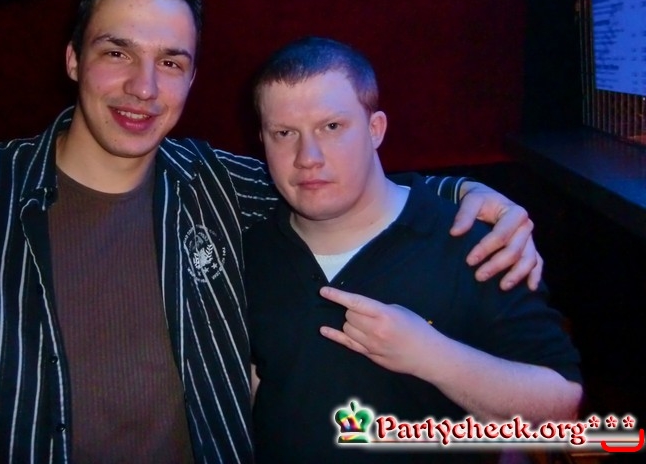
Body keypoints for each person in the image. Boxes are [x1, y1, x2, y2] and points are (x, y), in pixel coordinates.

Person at [0, 0, 541, 463]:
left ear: (192, 77)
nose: (143, 87)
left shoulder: (218, 183)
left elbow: (335, 182)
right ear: (73, 59)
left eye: (171, 62)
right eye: (117, 52)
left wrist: (460, 195)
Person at [245, 37, 583, 463]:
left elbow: (562, 406)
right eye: (284, 133)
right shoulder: (249, 251)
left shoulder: (473, 241)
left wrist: (434, 356)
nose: (307, 157)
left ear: (375, 129)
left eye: (332, 127)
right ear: (263, 140)